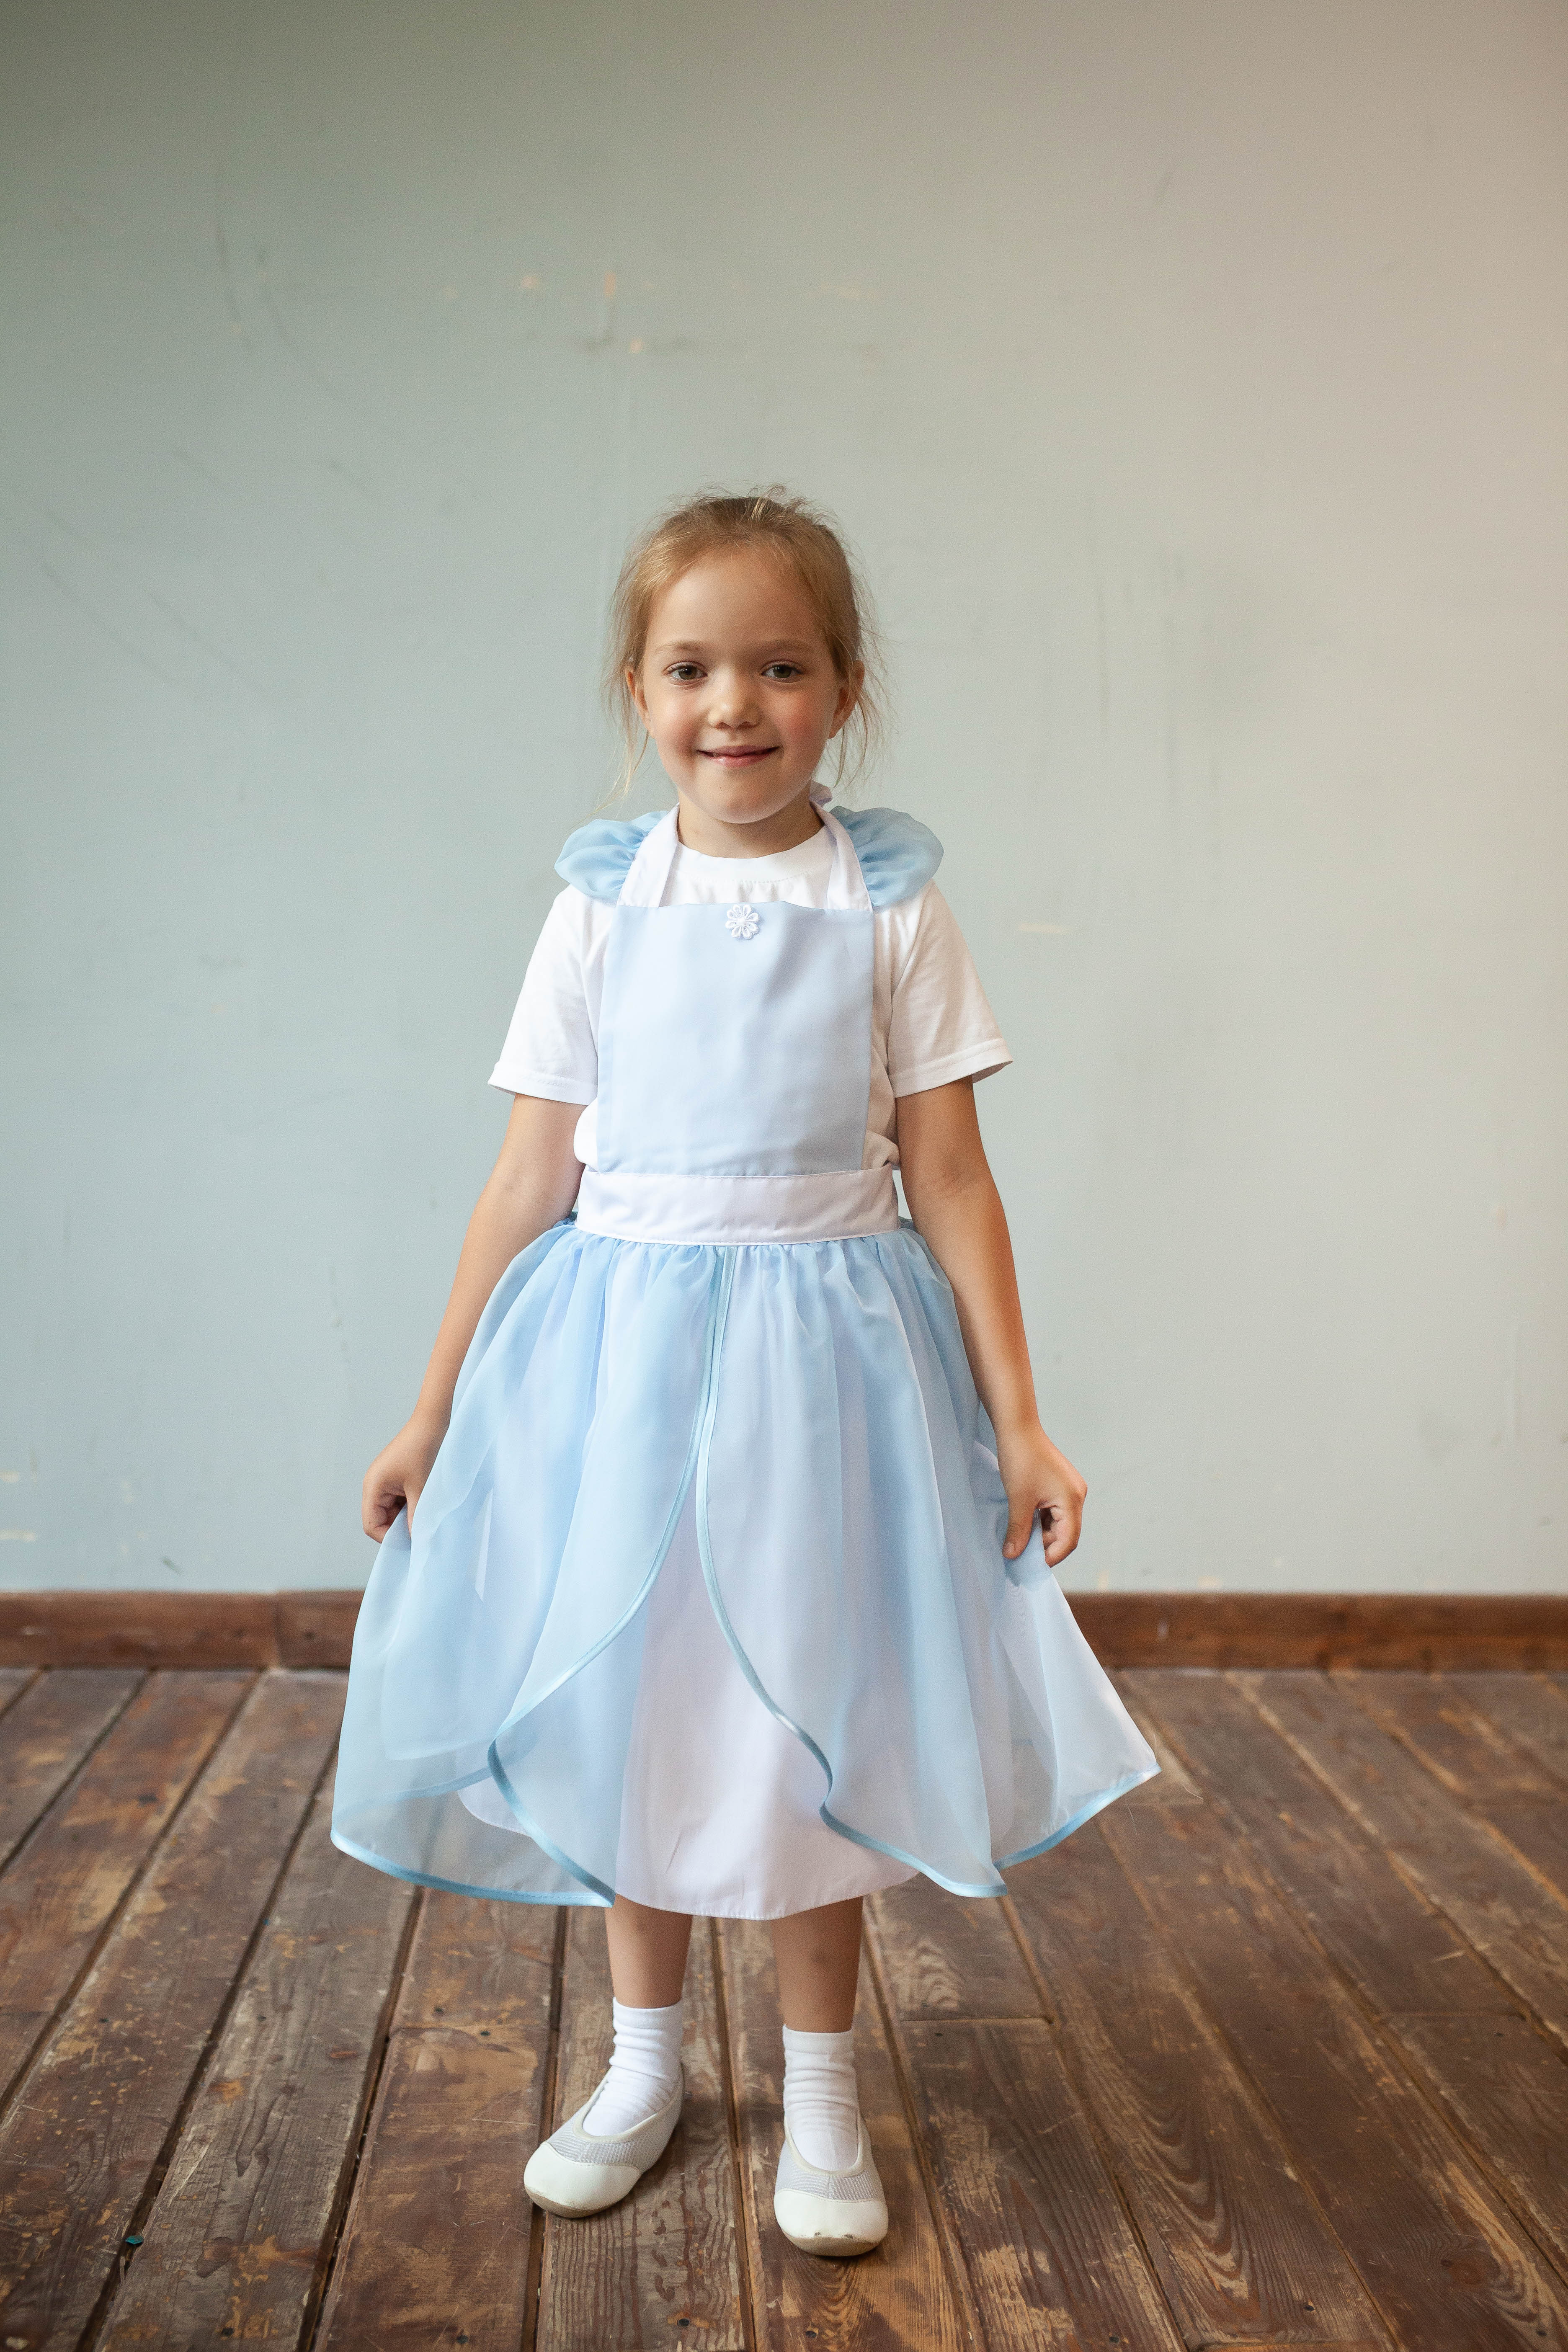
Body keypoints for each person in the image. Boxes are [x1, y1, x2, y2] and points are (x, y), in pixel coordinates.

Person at [332, 487, 1156, 2259]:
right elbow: (527, 1176)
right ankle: (642, 2067)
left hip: (826, 1372)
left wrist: (1021, 1421)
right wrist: (433, 1406)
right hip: (615, 1363)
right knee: (632, 1706)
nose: (735, 705)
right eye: (693, 667)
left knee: (804, 1717)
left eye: (781, 667)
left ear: (845, 689)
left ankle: (825, 2092)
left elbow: (951, 1176)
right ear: (638, 689)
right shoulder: (601, 904)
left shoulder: (890, 903)